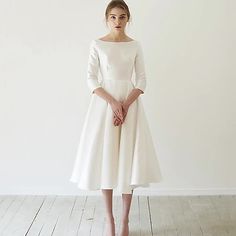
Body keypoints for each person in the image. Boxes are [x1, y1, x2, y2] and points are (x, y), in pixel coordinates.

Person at [70, 0, 162, 235]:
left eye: (122, 17)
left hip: (130, 105)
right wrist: (112, 103)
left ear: (128, 19)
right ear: (106, 18)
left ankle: (124, 222)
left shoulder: (135, 46)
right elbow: (91, 79)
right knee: (106, 160)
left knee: (128, 161)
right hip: (104, 106)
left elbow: (142, 80)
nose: (118, 21)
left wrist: (125, 105)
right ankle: (110, 220)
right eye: (113, 17)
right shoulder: (97, 44)